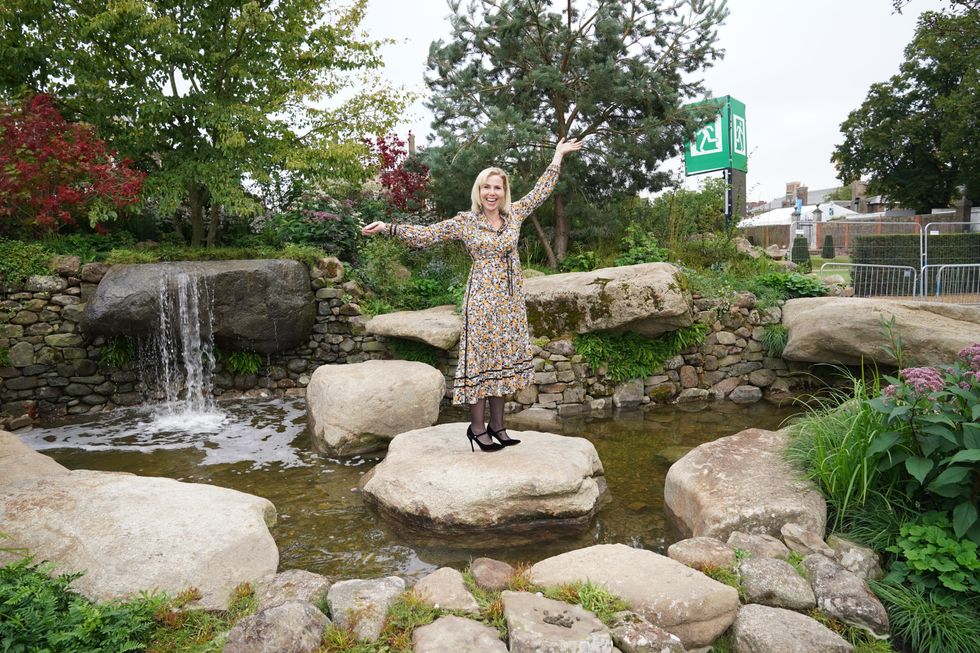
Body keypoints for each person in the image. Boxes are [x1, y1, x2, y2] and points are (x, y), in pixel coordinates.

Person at [362, 138, 584, 452]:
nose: (491, 193)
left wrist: (557, 157)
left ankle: (498, 425)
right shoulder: (466, 222)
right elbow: (428, 235)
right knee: (481, 363)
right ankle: (477, 428)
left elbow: (540, 192)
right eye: (486, 188)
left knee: (503, 361)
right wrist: (388, 227)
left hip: (509, 301)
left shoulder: (515, 215)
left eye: (497, 188)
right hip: (481, 299)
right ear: (478, 192)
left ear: (504, 192)